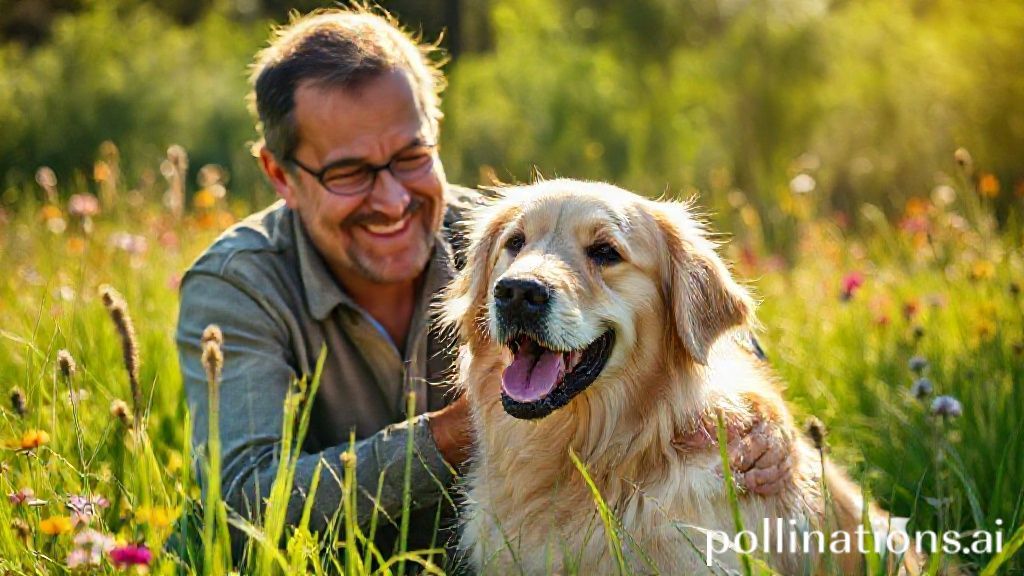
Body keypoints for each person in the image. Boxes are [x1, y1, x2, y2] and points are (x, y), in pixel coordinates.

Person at [175, 5, 791, 566]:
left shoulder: (506, 231)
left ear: (435, 134)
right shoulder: (236, 287)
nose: (392, 200)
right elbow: (243, 501)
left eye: (411, 157)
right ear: (279, 174)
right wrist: (458, 430)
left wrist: (764, 422)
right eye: (349, 172)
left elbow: (711, 342)